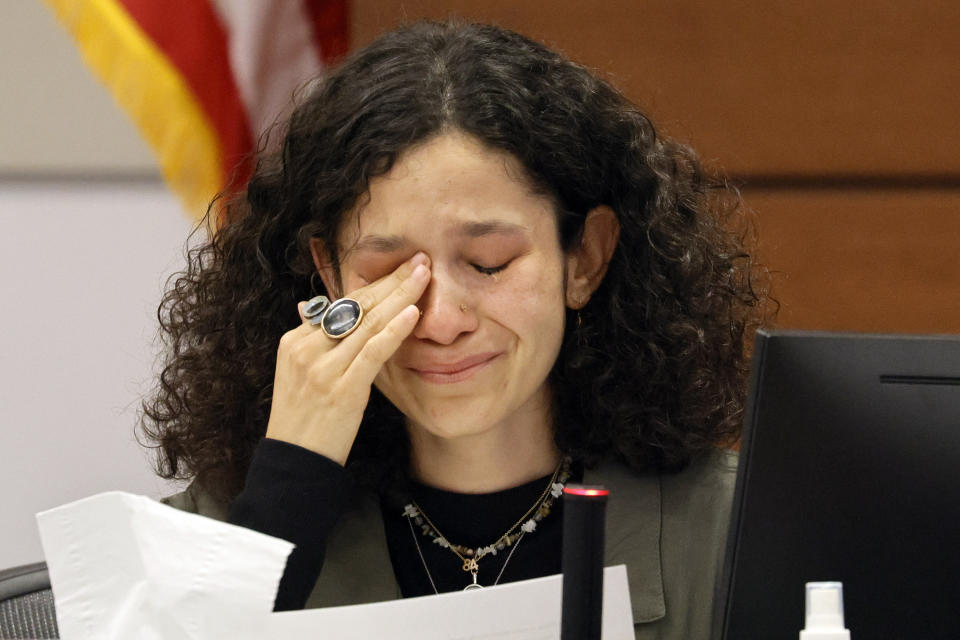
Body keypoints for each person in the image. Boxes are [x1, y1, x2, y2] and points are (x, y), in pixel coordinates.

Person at [143, 20, 764, 639]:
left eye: (489, 262)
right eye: (387, 270)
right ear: (329, 275)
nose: (440, 321)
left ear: (585, 259)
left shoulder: (738, 532)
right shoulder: (227, 531)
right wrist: (290, 480)